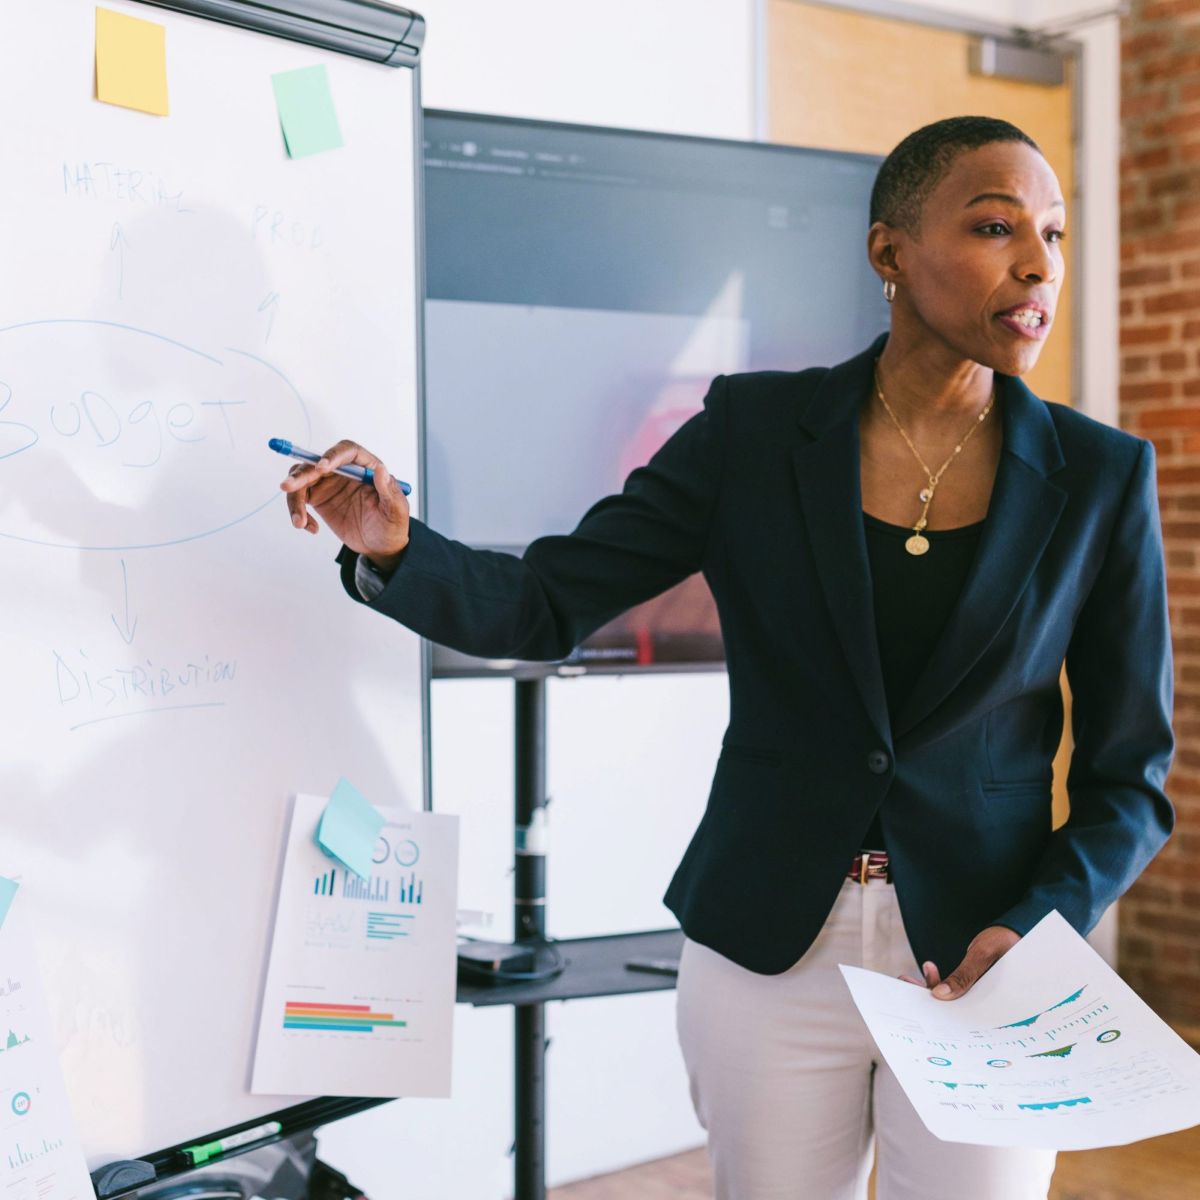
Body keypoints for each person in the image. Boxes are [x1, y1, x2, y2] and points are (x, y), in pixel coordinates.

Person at [279, 116, 1175, 1199]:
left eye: (1055, 234)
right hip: (766, 948)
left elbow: (1132, 777)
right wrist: (398, 550)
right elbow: (548, 600)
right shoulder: (755, 431)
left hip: (988, 961)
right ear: (889, 251)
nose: (1038, 264)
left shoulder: (1101, 477)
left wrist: (1038, 921)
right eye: (994, 227)